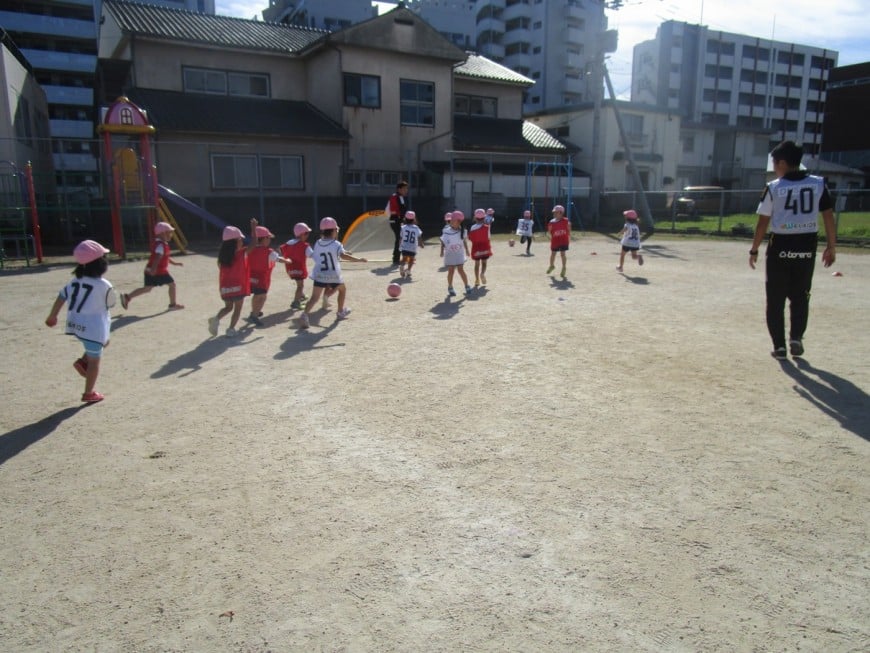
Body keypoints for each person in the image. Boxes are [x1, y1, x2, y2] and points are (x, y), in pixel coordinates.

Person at [749, 140, 836, 360]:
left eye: (776, 164)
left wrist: (754, 249)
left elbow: (763, 222)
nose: (775, 168)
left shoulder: (775, 187)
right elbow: (827, 215)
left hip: (780, 246)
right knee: (801, 296)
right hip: (807, 246)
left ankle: (779, 346)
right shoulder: (818, 184)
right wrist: (831, 246)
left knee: (775, 300)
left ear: (783, 163)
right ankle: (796, 337)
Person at [45, 240, 116, 403]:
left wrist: (53, 315)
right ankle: (88, 392)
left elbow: (62, 296)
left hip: (77, 325)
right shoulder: (103, 284)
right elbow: (111, 303)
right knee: (95, 361)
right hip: (94, 327)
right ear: (101, 264)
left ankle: (83, 362)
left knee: (104, 342)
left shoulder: (74, 282)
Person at [298, 217, 368, 329]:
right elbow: (343, 255)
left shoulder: (318, 243)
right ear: (334, 231)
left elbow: (320, 255)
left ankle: (304, 314)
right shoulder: (337, 244)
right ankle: (340, 312)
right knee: (342, 290)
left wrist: (344, 252)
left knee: (314, 298)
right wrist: (358, 259)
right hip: (333, 275)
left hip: (319, 273)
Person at [120, 221, 184, 311]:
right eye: (170, 232)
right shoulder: (161, 245)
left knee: (147, 288)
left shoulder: (159, 244)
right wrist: (154, 269)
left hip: (150, 270)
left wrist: (175, 263)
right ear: (163, 233)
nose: (171, 235)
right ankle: (172, 305)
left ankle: (127, 297)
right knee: (172, 285)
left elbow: (165, 257)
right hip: (159, 272)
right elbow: (157, 258)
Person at [209, 223, 253, 338]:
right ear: (235, 242)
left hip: (225, 288)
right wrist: (253, 228)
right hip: (239, 287)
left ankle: (216, 319)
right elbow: (254, 244)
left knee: (228, 307)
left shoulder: (222, 257)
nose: (242, 242)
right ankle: (231, 329)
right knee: (237, 309)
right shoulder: (242, 253)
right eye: (240, 240)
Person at [246, 223, 290, 327]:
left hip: (251, 277)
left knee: (256, 295)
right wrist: (288, 260)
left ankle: (254, 311)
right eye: (268, 238)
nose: (269, 240)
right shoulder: (269, 251)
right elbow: (279, 259)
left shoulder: (250, 249)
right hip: (262, 279)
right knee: (262, 297)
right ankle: (254, 315)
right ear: (263, 239)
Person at [279, 222, 313, 309]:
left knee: (298, 283)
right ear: (302, 234)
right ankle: (296, 302)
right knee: (300, 285)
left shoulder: (288, 243)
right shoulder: (304, 245)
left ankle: (301, 295)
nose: (307, 235)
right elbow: (311, 255)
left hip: (290, 269)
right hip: (299, 269)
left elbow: (281, 249)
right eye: (306, 233)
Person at [439, 210, 472, 296]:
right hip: (450, 254)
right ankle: (450, 287)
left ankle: (467, 286)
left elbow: (464, 241)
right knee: (451, 271)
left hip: (459, 254)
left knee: (461, 270)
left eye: (454, 221)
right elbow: (443, 241)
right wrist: (442, 251)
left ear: (459, 222)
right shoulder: (446, 231)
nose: (451, 222)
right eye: (451, 220)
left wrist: (467, 250)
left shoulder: (463, 231)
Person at [468, 207, 493, 286]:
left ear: (475, 217)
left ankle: (477, 280)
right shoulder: (487, 227)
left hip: (476, 248)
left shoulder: (472, 227)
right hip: (485, 247)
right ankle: (482, 273)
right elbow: (489, 237)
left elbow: (471, 238)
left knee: (477, 264)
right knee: (484, 263)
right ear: (484, 217)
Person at [387, 180, 409, 265]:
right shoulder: (396, 197)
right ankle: (396, 258)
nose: (406, 190)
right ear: (399, 189)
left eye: (406, 189)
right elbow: (397, 210)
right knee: (399, 238)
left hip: (397, 220)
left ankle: (397, 257)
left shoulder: (399, 197)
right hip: (395, 220)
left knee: (400, 238)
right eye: (404, 189)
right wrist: (402, 218)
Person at [546, 204, 571, 278]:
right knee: (553, 254)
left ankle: (564, 267)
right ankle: (552, 265)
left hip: (563, 240)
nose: (554, 214)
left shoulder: (566, 221)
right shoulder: (551, 222)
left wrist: (568, 236)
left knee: (562, 254)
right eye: (554, 212)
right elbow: (549, 231)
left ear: (561, 213)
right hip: (555, 240)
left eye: (556, 212)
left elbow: (568, 230)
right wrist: (550, 231)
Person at [398, 210, 424, 279]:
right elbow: (419, 237)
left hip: (404, 246)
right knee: (411, 259)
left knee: (404, 259)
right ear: (414, 219)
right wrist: (421, 244)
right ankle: (409, 270)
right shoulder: (416, 228)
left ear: (405, 219)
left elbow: (401, 238)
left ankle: (402, 266)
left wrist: (399, 245)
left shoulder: (403, 227)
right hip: (412, 247)